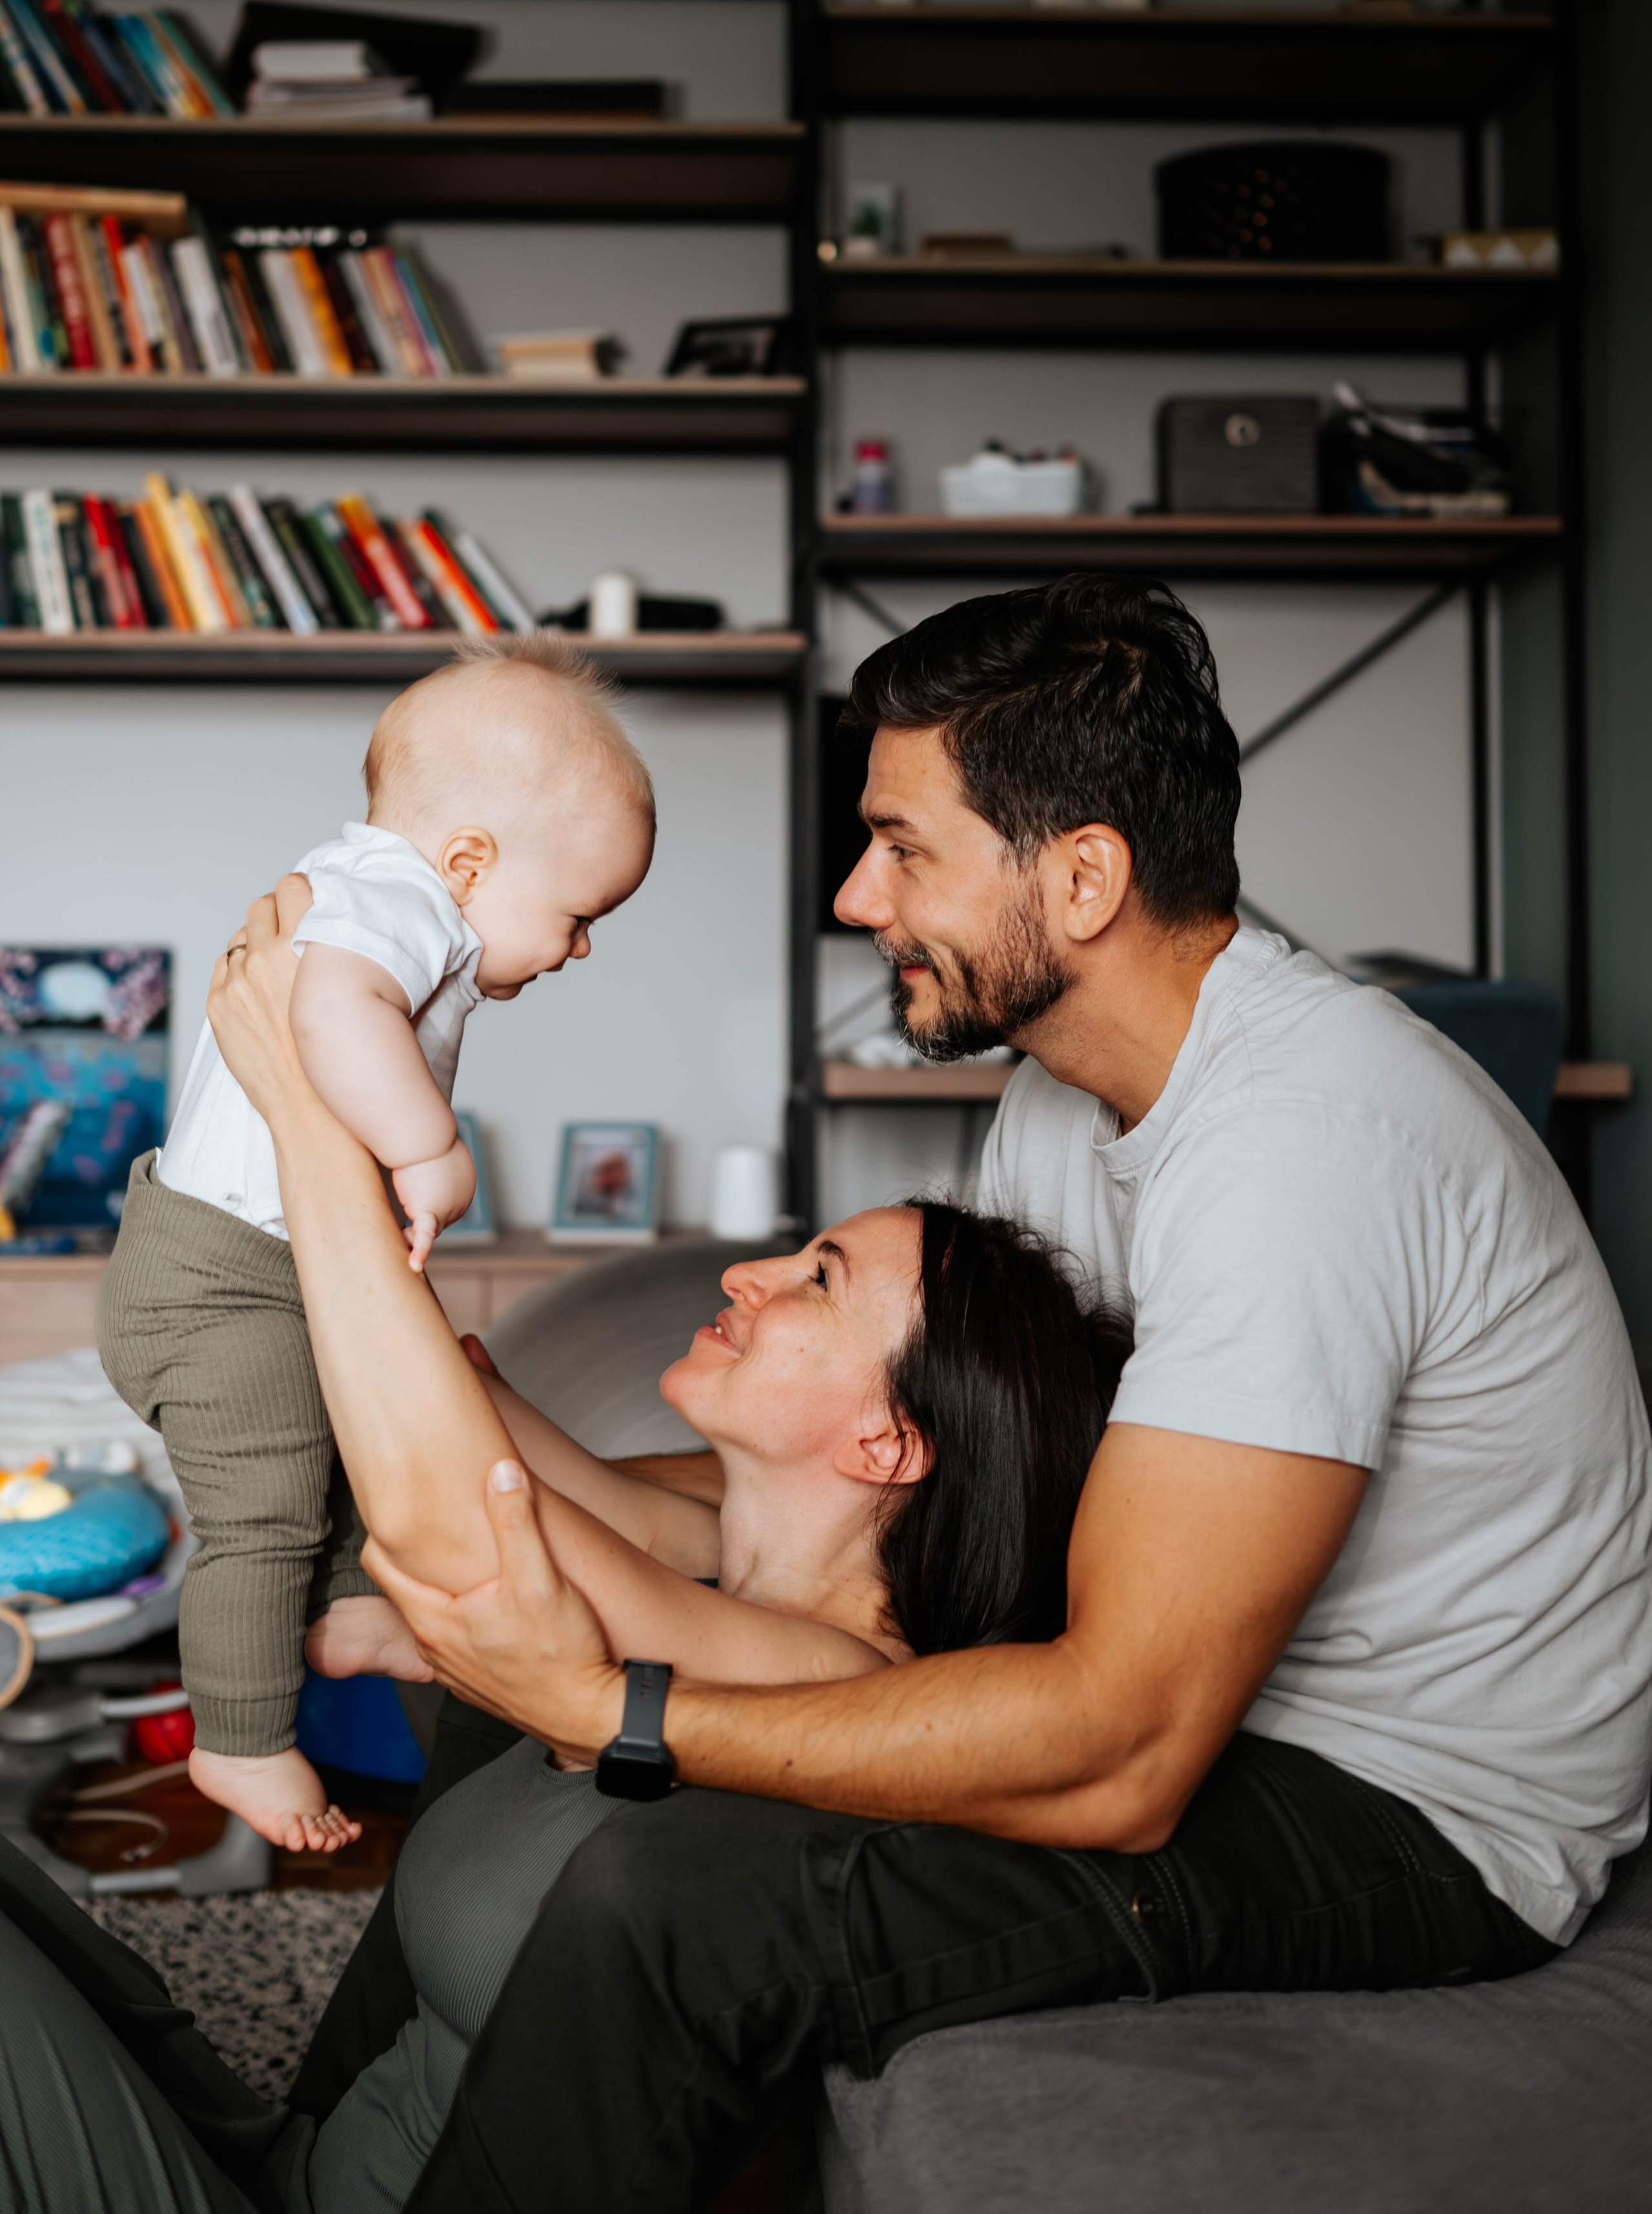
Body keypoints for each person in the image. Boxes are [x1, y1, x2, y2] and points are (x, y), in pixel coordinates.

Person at [314, 573, 1652, 2214]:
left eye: (903, 846)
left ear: (1081, 876)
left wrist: (615, 1718)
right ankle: (305, 2150)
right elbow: (924, 1471)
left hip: (1410, 1803)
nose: (856, 894)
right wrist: (520, 1496)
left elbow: (1125, 1749)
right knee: (521, 1628)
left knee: (676, 1902)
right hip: (1192, 1684)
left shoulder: (1304, 1141)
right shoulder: (1057, 1101)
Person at [0, 1042, 1127, 2211]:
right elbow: (457, 1387)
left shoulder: (830, 1677)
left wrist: (300, 1106)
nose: (749, 1275)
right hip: (281, 2162)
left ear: (886, 1444)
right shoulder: (718, 1590)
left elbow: (469, 1489)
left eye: (820, 1281)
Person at [95, 631, 656, 1853]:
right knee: (261, 1519)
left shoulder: (390, 891)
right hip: (216, 1287)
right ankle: (239, 1740)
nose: (580, 946)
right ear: (469, 861)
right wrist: (426, 1146)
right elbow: (331, 1005)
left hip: (258, 1271)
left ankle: (349, 1615)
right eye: (575, 913)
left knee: (356, 1439)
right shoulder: (394, 903)